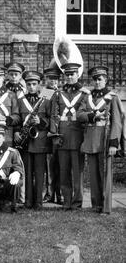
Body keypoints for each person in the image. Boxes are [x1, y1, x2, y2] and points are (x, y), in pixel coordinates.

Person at [77, 66, 123, 214]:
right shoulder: (88, 97)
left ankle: (106, 207)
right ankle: (95, 204)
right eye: (95, 79)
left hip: (105, 139)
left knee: (105, 175)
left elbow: (117, 121)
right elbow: (79, 115)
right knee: (93, 175)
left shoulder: (112, 97)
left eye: (100, 79)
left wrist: (114, 143)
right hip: (91, 139)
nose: (97, 82)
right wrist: (93, 116)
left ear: (106, 80)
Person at [50, 63, 90, 211]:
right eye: (67, 74)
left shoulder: (85, 94)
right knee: (63, 171)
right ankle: (66, 201)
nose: (70, 77)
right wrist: (55, 134)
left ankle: (77, 202)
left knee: (77, 172)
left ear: (77, 75)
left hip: (77, 136)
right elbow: (54, 115)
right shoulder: (58, 94)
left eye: (72, 74)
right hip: (62, 137)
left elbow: (85, 116)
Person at [18, 71, 50, 210]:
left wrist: (41, 121)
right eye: (28, 84)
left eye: (34, 84)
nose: (31, 87)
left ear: (39, 85)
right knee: (27, 172)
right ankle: (28, 201)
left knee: (39, 172)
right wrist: (16, 133)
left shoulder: (46, 99)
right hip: (25, 142)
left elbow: (52, 119)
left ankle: (38, 202)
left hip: (40, 141)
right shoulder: (20, 100)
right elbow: (18, 119)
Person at [42, 67, 63, 205]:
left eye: (55, 79)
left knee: (61, 165)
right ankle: (49, 194)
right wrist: (48, 126)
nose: (53, 81)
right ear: (46, 80)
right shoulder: (45, 93)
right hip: (48, 134)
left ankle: (60, 195)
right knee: (49, 166)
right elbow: (41, 114)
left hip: (61, 133)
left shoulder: (62, 93)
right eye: (50, 79)